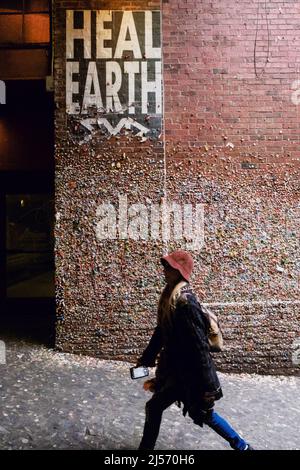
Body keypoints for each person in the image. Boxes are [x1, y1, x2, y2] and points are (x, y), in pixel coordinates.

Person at [136, 250, 253, 451]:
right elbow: (161, 332)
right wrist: (146, 359)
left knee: (206, 415)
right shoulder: (169, 299)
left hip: (192, 377)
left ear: (179, 272)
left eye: (169, 268)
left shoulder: (186, 303)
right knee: (154, 408)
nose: (165, 271)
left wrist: (209, 388)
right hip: (176, 374)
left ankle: (242, 446)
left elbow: (200, 348)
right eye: (165, 267)